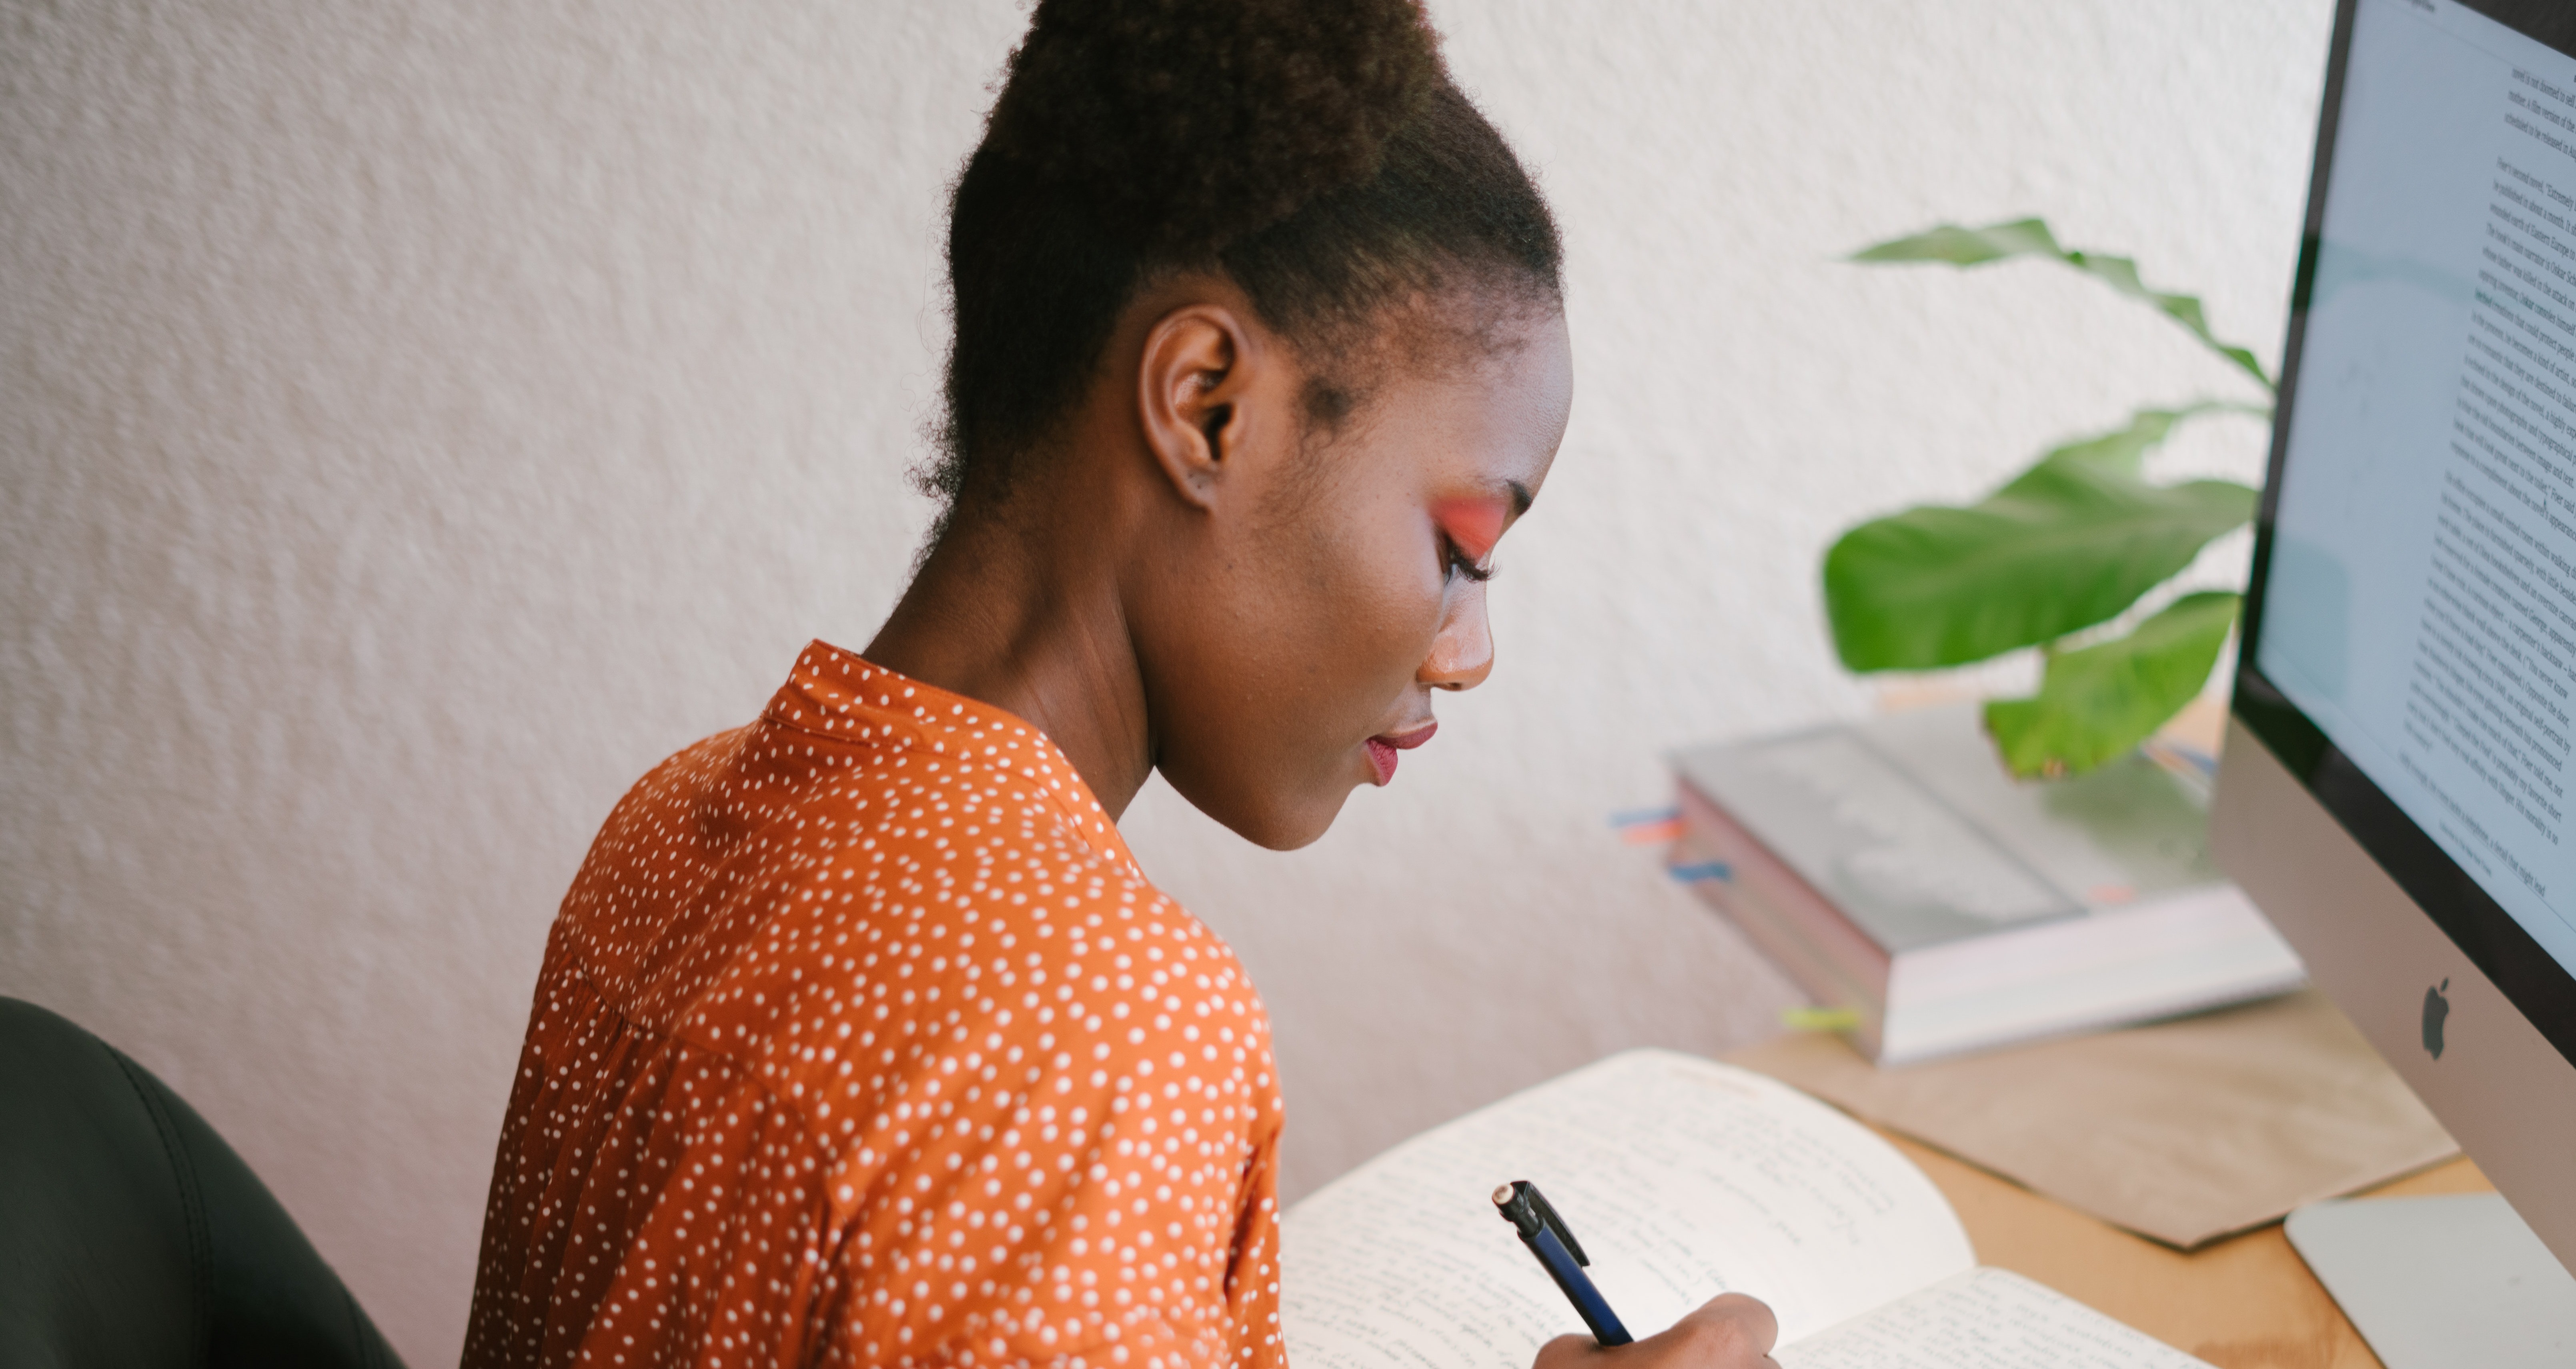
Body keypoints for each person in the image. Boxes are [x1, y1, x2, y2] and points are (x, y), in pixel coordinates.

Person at [462, 3, 1777, 1367]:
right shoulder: (1090, 1025)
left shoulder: (669, 825)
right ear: (1207, 406)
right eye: (1462, 551)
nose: (1468, 652)